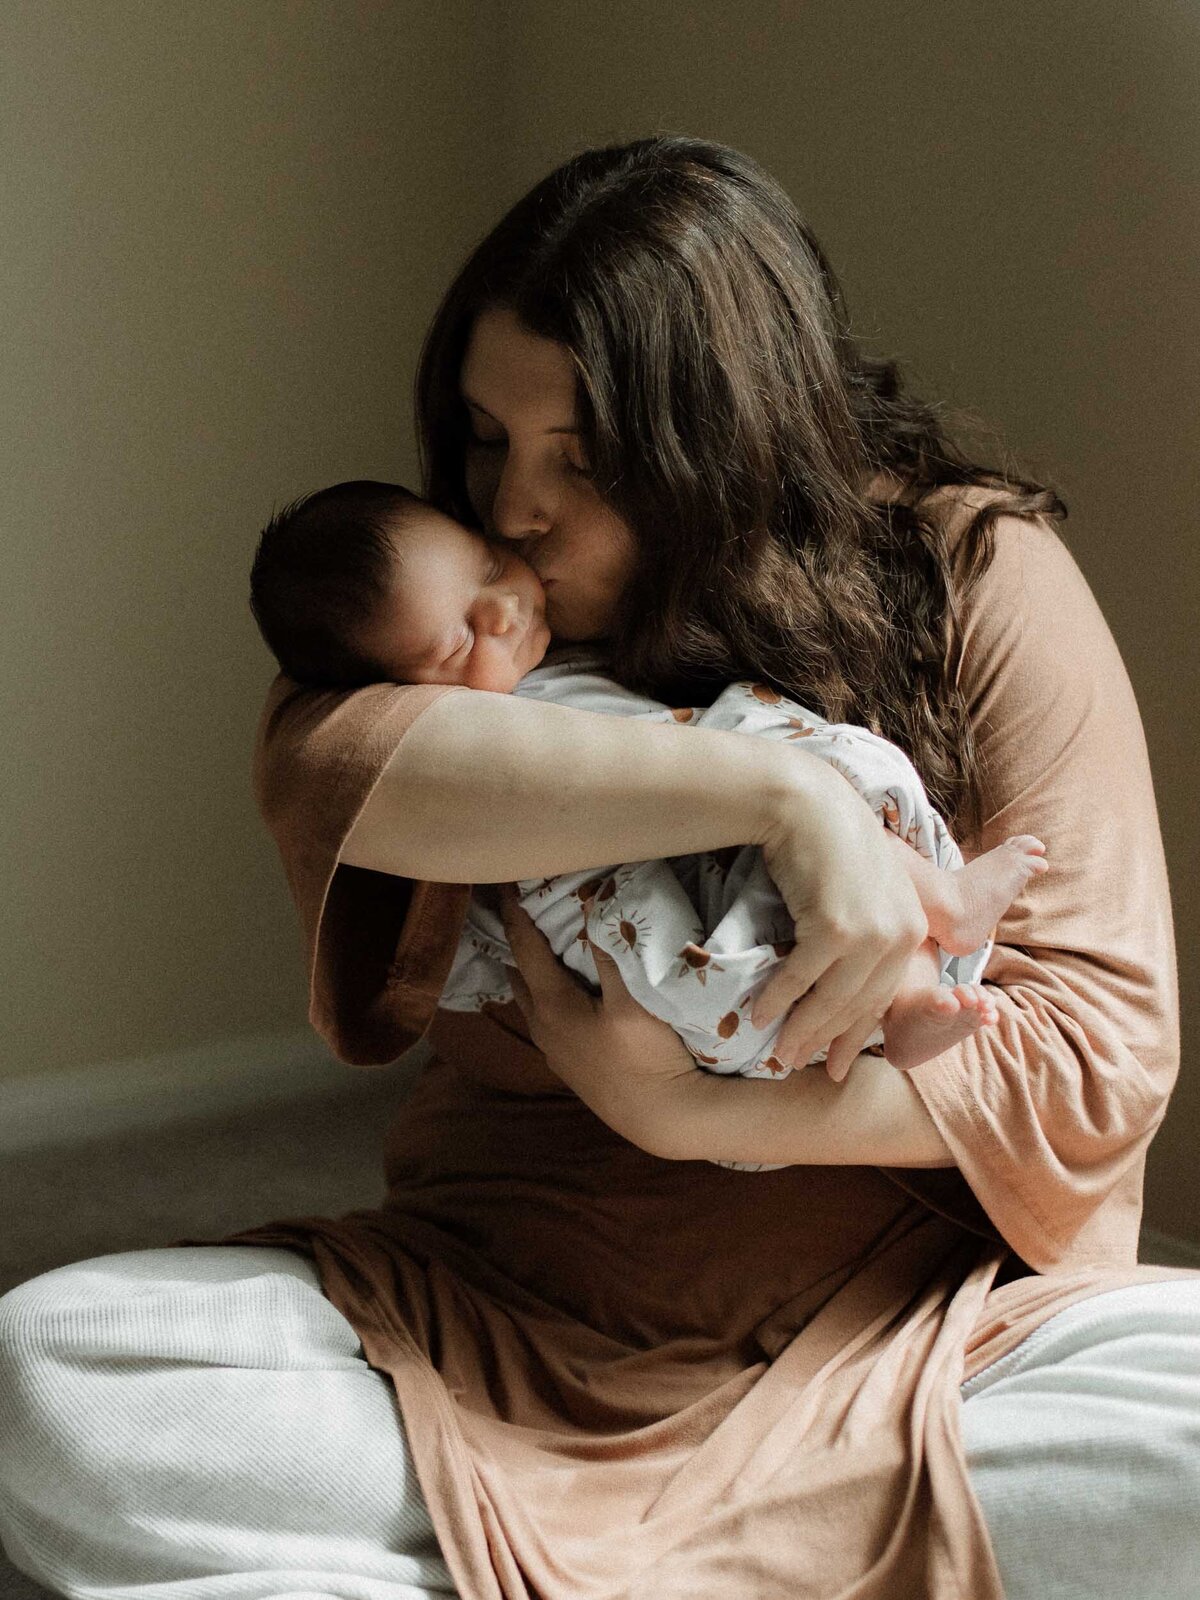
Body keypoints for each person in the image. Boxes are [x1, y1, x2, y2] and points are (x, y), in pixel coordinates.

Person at [0, 135, 1196, 1600]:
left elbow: (1101, 1062)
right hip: (497, 1321)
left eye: (587, 459)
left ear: (733, 447)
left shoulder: (971, 573)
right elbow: (341, 776)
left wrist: (697, 1115)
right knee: (53, 1376)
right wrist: (785, 801)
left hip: (914, 1338)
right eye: (489, 440)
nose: (512, 508)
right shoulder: (453, 625)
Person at [248, 480, 1049, 1093]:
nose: (500, 609)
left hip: (735, 840)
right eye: (458, 636)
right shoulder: (468, 732)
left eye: (488, 567)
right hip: (633, 906)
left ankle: (918, 979)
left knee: (842, 833)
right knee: (771, 935)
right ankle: (919, 954)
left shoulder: (589, 649)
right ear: (393, 690)